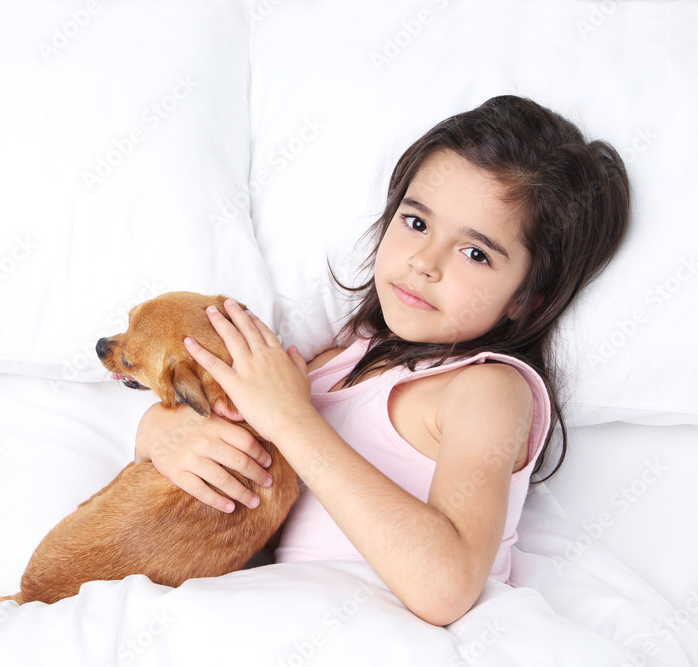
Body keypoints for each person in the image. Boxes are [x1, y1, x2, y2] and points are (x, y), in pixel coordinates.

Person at [134, 96, 630, 626]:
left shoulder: (487, 390)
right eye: (416, 223)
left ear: (526, 297)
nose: (424, 262)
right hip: (271, 615)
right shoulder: (332, 362)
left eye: (476, 253)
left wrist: (293, 420)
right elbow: (197, 426)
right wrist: (160, 432)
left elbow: (446, 587)